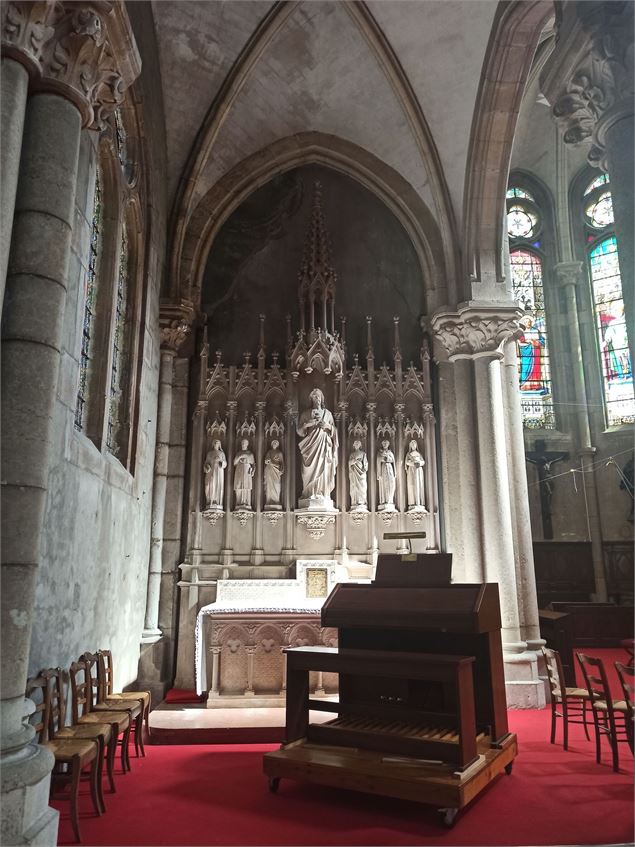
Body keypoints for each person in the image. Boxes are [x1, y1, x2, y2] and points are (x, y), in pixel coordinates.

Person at [296, 387, 338, 505]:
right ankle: (309, 493)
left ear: (322, 398)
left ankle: (322, 493)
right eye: (314, 396)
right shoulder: (305, 413)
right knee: (308, 471)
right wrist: (307, 424)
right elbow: (299, 431)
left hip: (324, 445)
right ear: (311, 399)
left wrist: (327, 426)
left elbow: (334, 430)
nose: (317, 399)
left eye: (318, 396)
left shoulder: (328, 414)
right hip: (310, 447)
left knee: (323, 469)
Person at [204, 439, 226, 509]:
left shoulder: (221, 453)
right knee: (209, 485)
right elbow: (206, 463)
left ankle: (216, 501)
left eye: (218, 443)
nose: (216, 444)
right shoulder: (209, 453)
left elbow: (225, 463)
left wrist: (221, 462)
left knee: (217, 485)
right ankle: (209, 501)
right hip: (211, 472)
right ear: (213, 444)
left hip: (219, 472)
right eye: (215, 443)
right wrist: (207, 466)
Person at [233, 438, 255, 509]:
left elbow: (253, 464)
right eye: (242, 443)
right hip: (239, 469)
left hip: (246, 470)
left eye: (244, 443)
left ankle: (246, 502)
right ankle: (238, 502)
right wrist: (240, 456)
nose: (243, 445)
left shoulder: (250, 453)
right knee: (239, 485)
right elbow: (234, 462)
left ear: (247, 445)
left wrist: (252, 471)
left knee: (246, 486)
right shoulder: (238, 453)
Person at [263, 439, 285, 509]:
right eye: (273, 443)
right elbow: (266, 461)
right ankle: (269, 500)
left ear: (277, 445)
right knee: (269, 485)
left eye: (276, 443)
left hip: (276, 471)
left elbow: (282, 463)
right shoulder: (269, 452)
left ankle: (276, 500)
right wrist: (268, 461)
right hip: (269, 470)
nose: (274, 444)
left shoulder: (279, 453)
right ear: (272, 444)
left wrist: (281, 469)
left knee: (276, 485)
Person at [405, 439, 425, 510]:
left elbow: (423, 461)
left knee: (419, 485)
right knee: (412, 485)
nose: (413, 446)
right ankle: (413, 502)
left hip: (418, 471)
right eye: (412, 445)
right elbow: (406, 462)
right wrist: (413, 463)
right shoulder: (409, 454)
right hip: (412, 471)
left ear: (416, 445)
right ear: (410, 446)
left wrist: (419, 463)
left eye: (414, 444)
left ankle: (419, 502)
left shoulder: (419, 454)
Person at [348, 439, 368, 509]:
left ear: (360, 445)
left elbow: (365, 464)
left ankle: (362, 501)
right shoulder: (352, 454)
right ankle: (354, 501)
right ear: (353, 445)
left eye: (358, 444)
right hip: (354, 472)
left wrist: (364, 468)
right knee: (354, 486)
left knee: (362, 486)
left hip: (361, 473)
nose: (356, 445)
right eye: (355, 444)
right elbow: (349, 463)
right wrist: (353, 461)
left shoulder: (363, 453)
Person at [376, 439, 396, 509]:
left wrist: (388, 459)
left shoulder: (391, 453)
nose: (385, 445)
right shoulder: (380, 452)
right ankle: (384, 500)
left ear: (388, 444)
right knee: (384, 484)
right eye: (384, 443)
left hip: (390, 469)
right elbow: (378, 460)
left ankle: (390, 500)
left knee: (391, 484)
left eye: (386, 443)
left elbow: (393, 461)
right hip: (383, 468)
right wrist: (382, 459)